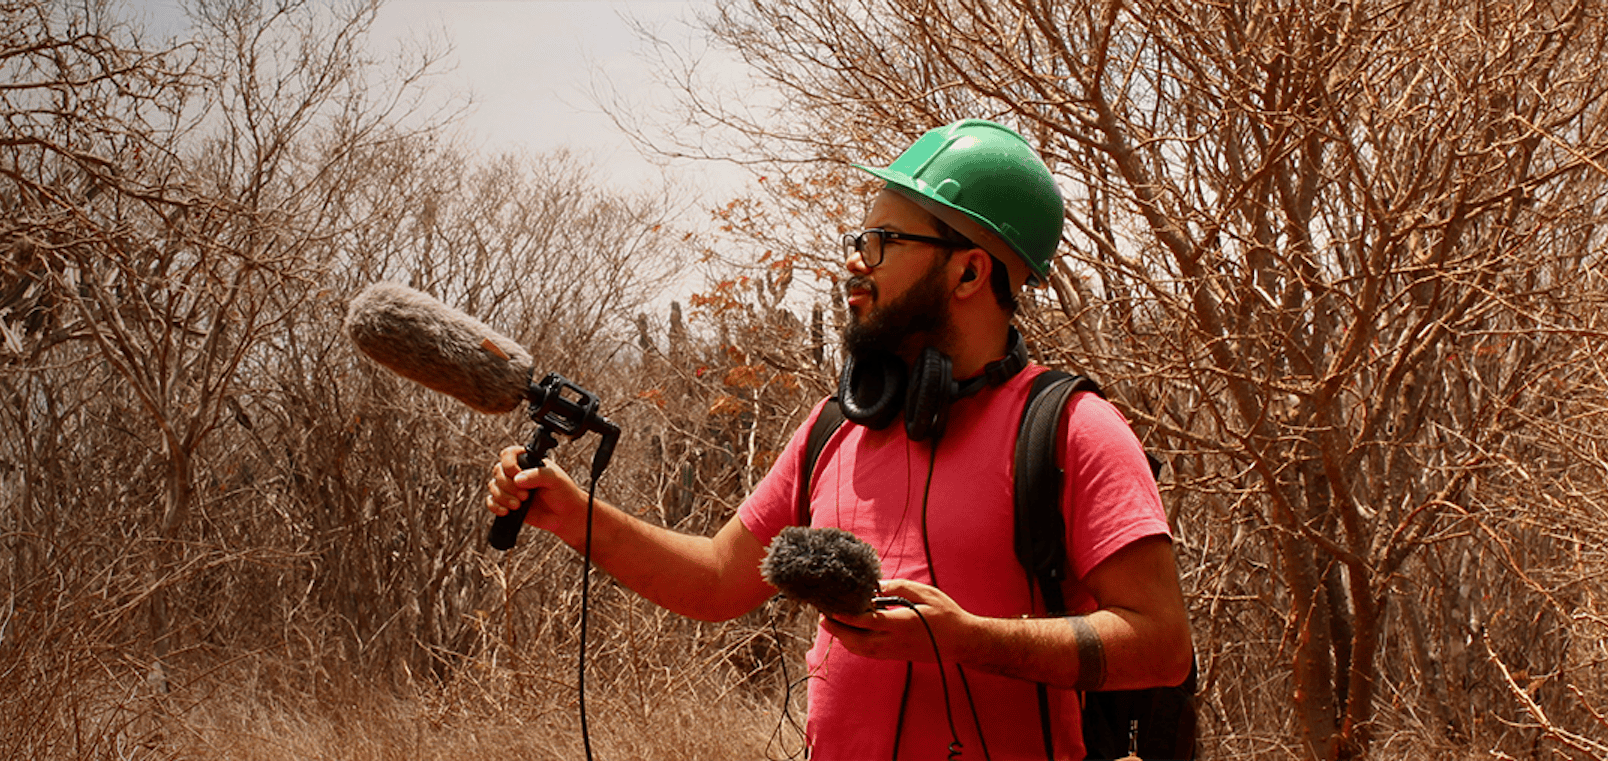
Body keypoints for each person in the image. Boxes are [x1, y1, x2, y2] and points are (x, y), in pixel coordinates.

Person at [480, 120, 1189, 760]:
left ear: (969, 269)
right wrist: (573, 516)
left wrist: (971, 637)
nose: (856, 262)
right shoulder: (835, 426)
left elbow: (1160, 644)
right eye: (859, 241)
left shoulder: (1073, 428)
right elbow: (719, 580)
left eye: (883, 243)